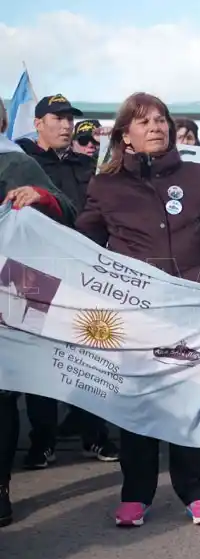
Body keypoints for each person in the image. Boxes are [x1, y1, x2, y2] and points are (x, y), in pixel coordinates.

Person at [75, 92, 200, 527]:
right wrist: (38, 211)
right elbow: (81, 244)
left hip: (196, 313)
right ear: (125, 136)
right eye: (144, 121)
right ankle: (137, 493)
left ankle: (198, 491)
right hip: (134, 318)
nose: (157, 126)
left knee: (191, 404)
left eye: (162, 119)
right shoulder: (106, 185)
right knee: (138, 404)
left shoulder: (198, 178)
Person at [15, 94, 117, 467]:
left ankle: (95, 434)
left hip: (83, 273)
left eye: (69, 118)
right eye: (56, 118)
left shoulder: (87, 165)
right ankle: (43, 439)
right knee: (41, 359)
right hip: (35, 272)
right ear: (38, 122)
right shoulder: (20, 162)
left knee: (89, 354)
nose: (65, 124)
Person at [0, 97, 77, 528]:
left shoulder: (14, 163)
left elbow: (68, 211)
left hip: (11, 288)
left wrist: (41, 197)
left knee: (2, 390)